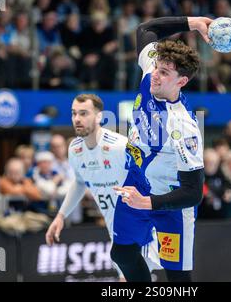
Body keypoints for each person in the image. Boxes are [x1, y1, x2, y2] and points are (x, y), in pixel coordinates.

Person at [113, 16, 208, 282]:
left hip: (170, 203)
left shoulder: (184, 127)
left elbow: (193, 192)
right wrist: (194, 22)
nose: (156, 73)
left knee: (177, 278)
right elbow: (147, 29)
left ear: (182, 81)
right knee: (122, 254)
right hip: (138, 185)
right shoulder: (150, 75)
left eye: (165, 72)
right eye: (157, 67)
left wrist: (150, 203)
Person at [45, 94, 160, 281]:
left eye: (84, 113)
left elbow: (151, 177)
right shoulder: (74, 149)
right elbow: (80, 182)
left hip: (140, 225)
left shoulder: (119, 147)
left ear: (99, 116)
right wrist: (60, 216)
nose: (77, 119)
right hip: (115, 230)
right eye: (74, 114)